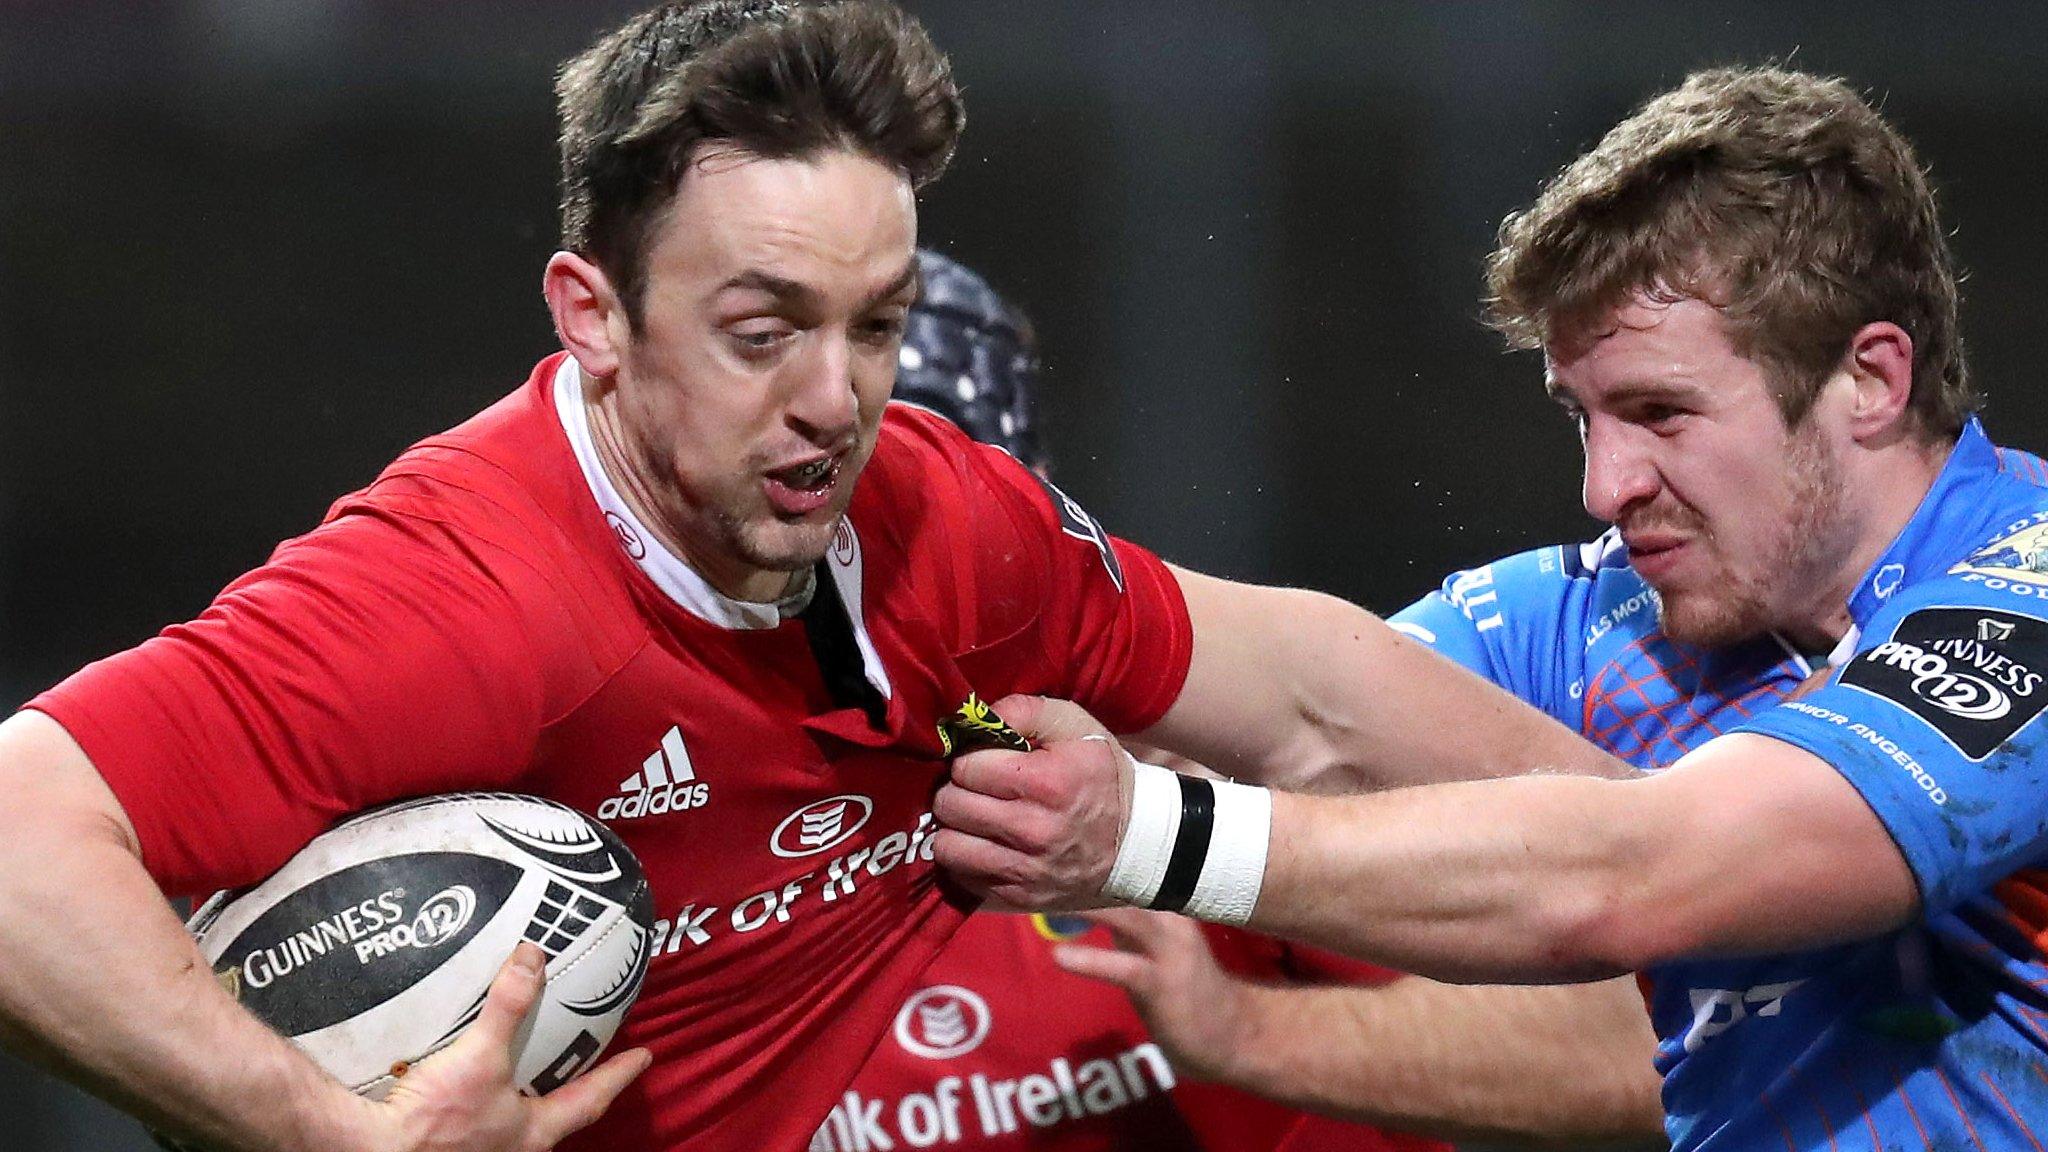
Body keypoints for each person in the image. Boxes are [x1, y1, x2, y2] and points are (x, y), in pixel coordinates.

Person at [0, 4, 1606, 1151]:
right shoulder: (460, 598)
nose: (840, 402)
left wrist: (1709, 849)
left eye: (879, 326)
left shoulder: (941, 521)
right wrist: (316, 1132)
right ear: (593, 317)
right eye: (762, 332)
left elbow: (1321, 699)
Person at [933, 66, 2048, 1151]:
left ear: (1870, 380)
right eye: (1583, 418)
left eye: (1660, 411)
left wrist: (1146, 836)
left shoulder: (2027, 592)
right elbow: (1305, 701)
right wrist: (938, 595)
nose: (1604, 489)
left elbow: (1633, 878)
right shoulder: (1613, 613)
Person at [817, 249, 1472, 1152]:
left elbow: (1622, 1053)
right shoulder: (651, 825)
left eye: (929, 517)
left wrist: (1247, 1027)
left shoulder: (1206, 764)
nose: (876, 571)